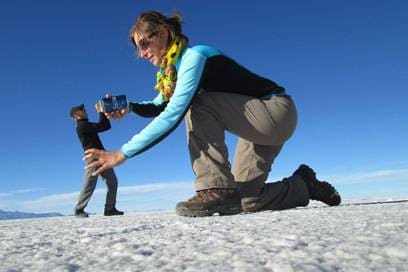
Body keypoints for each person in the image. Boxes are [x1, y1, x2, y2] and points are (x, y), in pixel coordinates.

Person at [83, 10, 341, 217]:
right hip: (257, 127)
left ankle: (214, 188)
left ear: (161, 33)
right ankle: (304, 185)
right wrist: (130, 108)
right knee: (246, 199)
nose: (141, 53)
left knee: (197, 103)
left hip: (275, 111)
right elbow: (159, 105)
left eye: (143, 43)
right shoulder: (172, 74)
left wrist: (122, 153)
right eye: (137, 48)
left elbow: (173, 112)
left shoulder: (195, 57)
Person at [70, 104, 124, 217]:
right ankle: (79, 209)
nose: (85, 110)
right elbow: (103, 126)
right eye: (82, 110)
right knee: (90, 183)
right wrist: (101, 111)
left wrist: (102, 112)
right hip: (92, 157)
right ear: (76, 114)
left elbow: (105, 126)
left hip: (102, 156)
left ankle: (110, 208)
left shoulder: (86, 124)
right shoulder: (82, 125)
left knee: (112, 182)